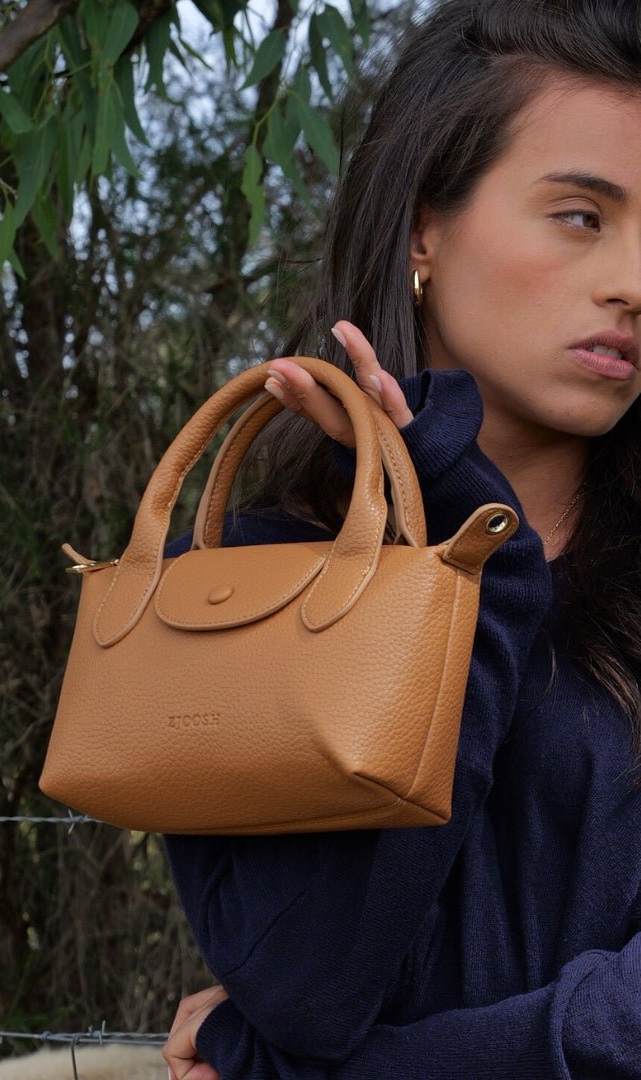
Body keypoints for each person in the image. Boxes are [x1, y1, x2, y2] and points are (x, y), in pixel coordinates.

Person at [161, 0, 641, 1075]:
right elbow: (312, 990)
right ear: (425, 226)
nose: (634, 283)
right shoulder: (233, 591)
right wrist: (483, 561)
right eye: (581, 215)